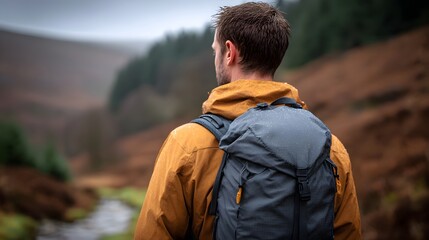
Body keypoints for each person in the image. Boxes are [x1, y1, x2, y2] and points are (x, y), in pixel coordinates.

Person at [134, 2, 362, 239]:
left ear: (230, 52)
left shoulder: (187, 144)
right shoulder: (330, 148)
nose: (216, 58)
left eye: (216, 51)